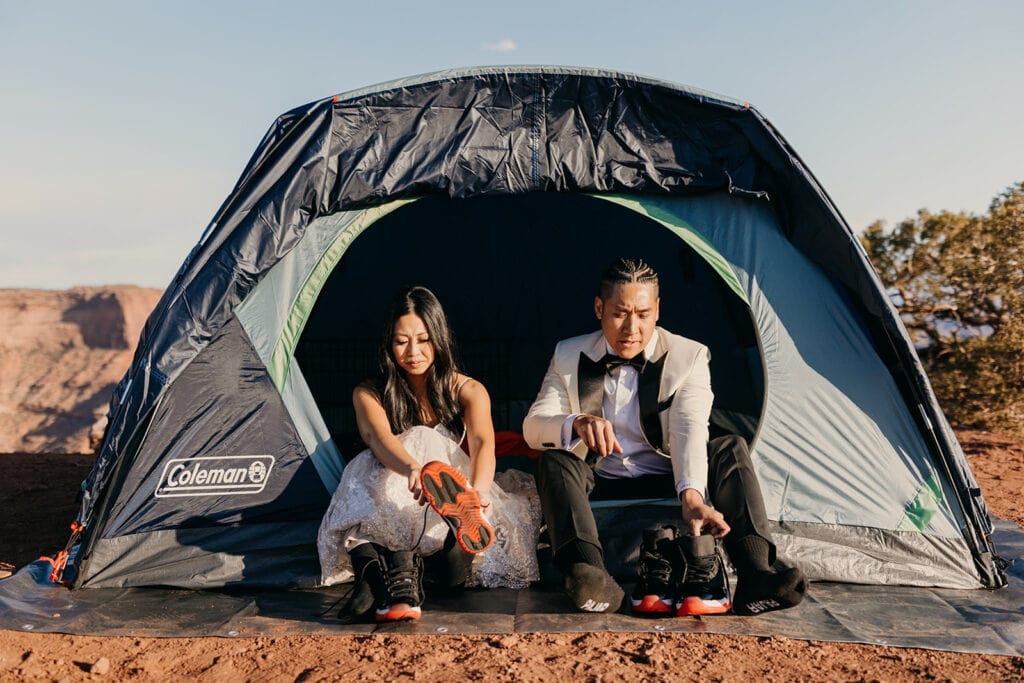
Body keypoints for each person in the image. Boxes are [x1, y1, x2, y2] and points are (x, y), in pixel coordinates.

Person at [523, 258, 807, 616]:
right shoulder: (568, 353)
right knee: (553, 460)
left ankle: (756, 574)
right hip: (600, 476)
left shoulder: (689, 355)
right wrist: (576, 422)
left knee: (729, 447)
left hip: (667, 471)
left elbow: (689, 424)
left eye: (643, 314)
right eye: (619, 314)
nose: (631, 328)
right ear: (599, 308)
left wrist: (691, 496)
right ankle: (589, 574)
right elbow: (533, 427)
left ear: (657, 310)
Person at [318, 286, 541, 622]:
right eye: (401, 340)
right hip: (393, 485)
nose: (413, 351)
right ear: (388, 344)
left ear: (439, 338)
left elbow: (483, 444)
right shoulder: (368, 392)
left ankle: (395, 567)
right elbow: (377, 438)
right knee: (399, 447)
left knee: (454, 571)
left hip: (450, 495)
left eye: (423, 339)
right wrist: (411, 467)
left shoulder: (470, 390)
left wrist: (478, 493)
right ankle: (379, 575)